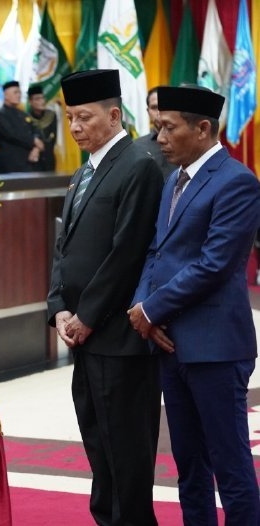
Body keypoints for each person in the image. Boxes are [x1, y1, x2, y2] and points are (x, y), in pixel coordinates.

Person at [128, 85, 260, 524]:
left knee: (230, 465)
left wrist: (152, 311)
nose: (160, 138)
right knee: (189, 467)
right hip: (171, 344)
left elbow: (214, 265)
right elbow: (156, 252)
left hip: (216, 348)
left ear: (202, 128)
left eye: (169, 128)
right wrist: (143, 309)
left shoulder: (237, 181)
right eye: (157, 127)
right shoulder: (174, 180)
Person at [47, 69, 163, 525]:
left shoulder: (138, 166)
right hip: (84, 334)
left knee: (127, 449)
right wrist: (59, 308)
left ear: (114, 115)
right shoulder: (83, 172)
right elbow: (64, 249)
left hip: (118, 335)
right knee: (97, 441)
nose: (75, 127)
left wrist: (88, 315)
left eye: (85, 117)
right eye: (70, 118)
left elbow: (127, 252)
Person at [0, 80, 44, 173]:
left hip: (30, 164)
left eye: (19, 92)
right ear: (6, 95)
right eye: (15, 92)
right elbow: (12, 134)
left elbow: (36, 130)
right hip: (11, 166)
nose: (19, 95)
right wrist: (33, 141)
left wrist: (36, 148)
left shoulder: (23, 114)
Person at [133, 87, 177, 181]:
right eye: (154, 107)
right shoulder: (136, 146)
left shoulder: (185, 142)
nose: (159, 112)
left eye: (164, 106)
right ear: (148, 111)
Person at [26, 84, 57, 171]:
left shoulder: (51, 116)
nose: (42, 101)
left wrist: (38, 148)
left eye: (42, 98)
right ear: (30, 102)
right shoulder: (25, 118)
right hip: (32, 161)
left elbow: (53, 138)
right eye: (37, 99)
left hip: (48, 159)